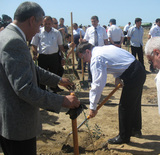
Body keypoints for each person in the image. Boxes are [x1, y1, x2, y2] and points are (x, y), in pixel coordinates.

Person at [0, 2, 80, 155]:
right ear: (31, 20)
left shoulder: (6, 34)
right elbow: (25, 89)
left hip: (8, 121)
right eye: (39, 24)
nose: (39, 30)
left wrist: (57, 80)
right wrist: (62, 101)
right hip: (18, 125)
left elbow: (31, 68)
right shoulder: (14, 41)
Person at [77, 42, 146, 144]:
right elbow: (120, 59)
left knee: (125, 106)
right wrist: (118, 76)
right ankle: (135, 130)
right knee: (133, 103)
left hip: (133, 74)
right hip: (138, 69)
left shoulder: (96, 58)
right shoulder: (103, 48)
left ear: (87, 51)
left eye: (83, 58)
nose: (84, 61)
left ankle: (124, 137)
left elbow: (98, 84)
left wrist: (92, 107)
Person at [31, 16, 65, 93]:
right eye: (45, 23)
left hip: (54, 57)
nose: (47, 25)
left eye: (49, 23)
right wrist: (34, 54)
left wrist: (63, 58)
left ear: (52, 24)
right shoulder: (38, 32)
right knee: (41, 75)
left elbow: (61, 46)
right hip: (43, 57)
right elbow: (34, 44)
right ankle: (42, 91)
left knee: (54, 74)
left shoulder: (57, 33)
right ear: (43, 23)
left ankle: (52, 90)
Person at [81, 15, 108, 82]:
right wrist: (81, 40)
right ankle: (90, 79)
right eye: (92, 21)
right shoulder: (89, 29)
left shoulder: (102, 29)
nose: (93, 23)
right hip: (91, 49)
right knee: (91, 64)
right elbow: (86, 39)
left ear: (98, 21)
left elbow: (105, 40)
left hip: (100, 49)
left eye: (94, 21)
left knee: (100, 65)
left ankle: (100, 79)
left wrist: (107, 48)